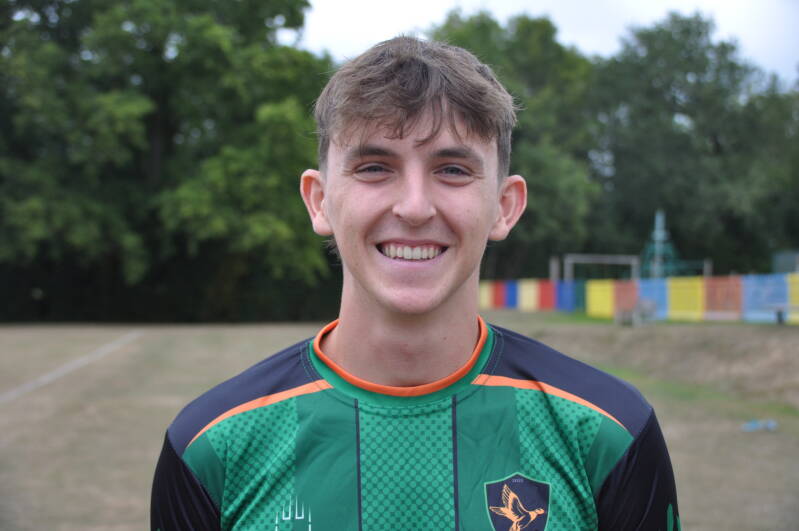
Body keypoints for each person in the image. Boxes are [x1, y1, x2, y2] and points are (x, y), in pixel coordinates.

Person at [151, 36, 679, 530]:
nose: (414, 207)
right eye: (374, 167)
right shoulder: (211, 447)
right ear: (319, 201)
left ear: (504, 206)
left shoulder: (609, 432)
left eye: (452, 170)